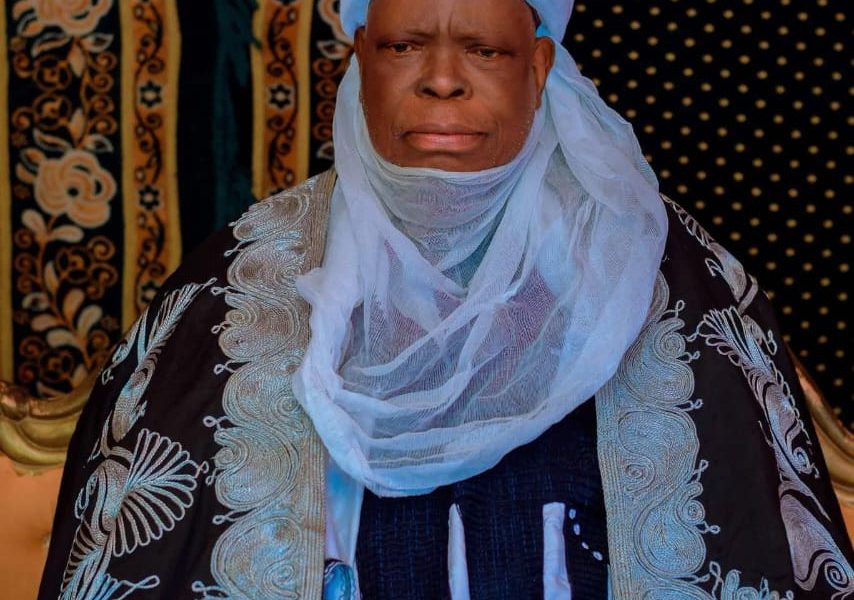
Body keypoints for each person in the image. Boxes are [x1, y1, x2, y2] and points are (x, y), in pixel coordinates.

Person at [39, 0, 853, 598]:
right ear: (361, 58)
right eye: (405, 46)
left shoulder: (666, 276)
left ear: (539, 67)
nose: (441, 81)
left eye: (483, 51)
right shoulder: (243, 285)